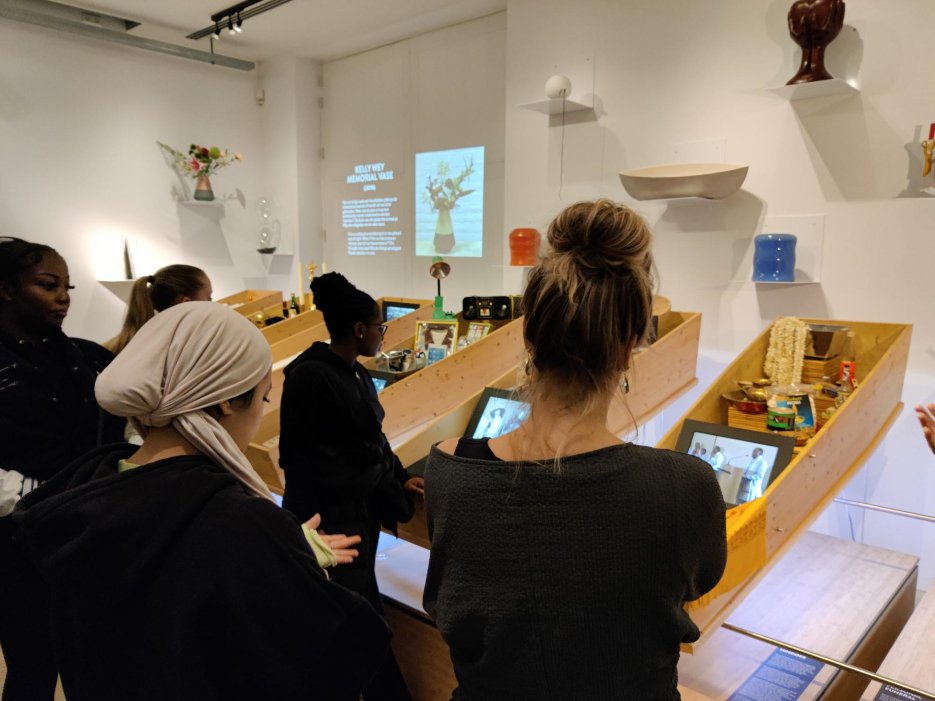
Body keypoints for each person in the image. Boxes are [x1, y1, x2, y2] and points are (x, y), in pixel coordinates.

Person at [422, 199, 727, 700]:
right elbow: (698, 580)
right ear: (631, 343)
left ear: (528, 335)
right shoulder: (683, 485)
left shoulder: (450, 468)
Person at [13, 302, 391, 700]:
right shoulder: (240, 523)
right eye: (263, 399)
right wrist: (285, 561)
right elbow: (335, 659)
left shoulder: (85, 490)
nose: (261, 415)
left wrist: (279, 555)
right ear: (227, 402)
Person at [279, 271, 423, 701]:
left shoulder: (352, 373)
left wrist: (399, 476)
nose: (383, 334)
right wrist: (382, 481)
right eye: (380, 326)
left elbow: (374, 444)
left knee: (362, 620)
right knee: (354, 628)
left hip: (357, 520)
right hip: (332, 527)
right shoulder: (311, 377)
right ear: (359, 329)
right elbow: (319, 463)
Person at [0, 237, 125, 701]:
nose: (63, 297)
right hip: (17, 548)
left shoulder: (90, 357)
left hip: (92, 535)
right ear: (6, 290)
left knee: (95, 663)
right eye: (48, 285)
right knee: (32, 666)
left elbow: (127, 429)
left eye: (67, 286)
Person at [103, 264, 211, 354]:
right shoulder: (184, 349)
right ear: (187, 303)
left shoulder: (128, 347)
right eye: (209, 297)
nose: (213, 304)